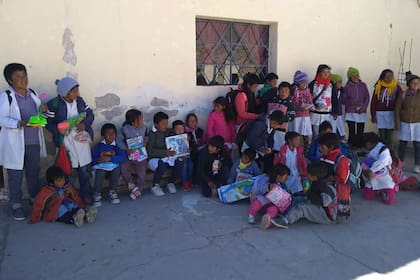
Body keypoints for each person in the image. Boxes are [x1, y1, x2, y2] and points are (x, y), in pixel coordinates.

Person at [0, 63, 47, 220]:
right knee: (15, 175)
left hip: (33, 141)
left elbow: (40, 115)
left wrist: (44, 112)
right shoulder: (6, 96)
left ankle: (35, 200)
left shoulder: (32, 93)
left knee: (33, 173)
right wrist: (20, 123)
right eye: (18, 77)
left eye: (24, 75)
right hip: (15, 144)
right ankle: (17, 205)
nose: (23, 80)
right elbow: (2, 119)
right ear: (10, 80)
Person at [45, 76, 94, 204]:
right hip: (65, 141)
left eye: (77, 90)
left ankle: (85, 194)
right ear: (65, 92)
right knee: (67, 170)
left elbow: (89, 114)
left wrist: (85, 124)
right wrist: (59, 130)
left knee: (83, 170)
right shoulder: (54, 104)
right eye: (74, 91)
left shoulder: (80, 101)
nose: (76, 94)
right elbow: (48, 122)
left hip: (80, 139)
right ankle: (69, 197)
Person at [270, 163, 337, 228]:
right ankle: (286, 213)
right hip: (321, 208)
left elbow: (324, 202)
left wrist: (308, 193)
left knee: (302, 207)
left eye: (309, 174)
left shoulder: (324, 186)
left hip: (326, 215)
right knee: (298, 199)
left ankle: (285, 221)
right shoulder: (316, 182)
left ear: (314, 177)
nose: (307, 175)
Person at [29, 166, 97, 227]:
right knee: (62, 209)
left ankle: (86, 215)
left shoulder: (67, 187)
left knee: (73, 206)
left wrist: (81, 205)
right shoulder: (45, 192)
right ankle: (74, 219)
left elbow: (75, 196)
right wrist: (35, 217)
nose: (62, 182)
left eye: (63, 180)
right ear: (51, 182)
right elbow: (38, 204)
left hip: (67, 203)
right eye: (59, 181)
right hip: (55, 210)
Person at [92, 123, 126, 207]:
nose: (111, 136)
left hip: (112, 165)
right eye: (108, 133)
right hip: (101, 166)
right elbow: (92, 158)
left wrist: (111, 159)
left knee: (116, 170)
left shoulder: (116, 146)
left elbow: (123, 157)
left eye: (113, 133)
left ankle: (112, 191)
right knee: (100, 172)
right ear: (103, 135)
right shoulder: (99, 146)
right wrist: (98, 160)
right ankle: (97, 194)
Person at [117, 109, 148, 200]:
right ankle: (131, 183)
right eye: (140, 119)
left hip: (140, 154)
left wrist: (146, 141)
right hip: (129, 154)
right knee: (123, 167)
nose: (142, 121)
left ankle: (139, 188)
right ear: (133, 122)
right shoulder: (124, 129)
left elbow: (146, 136)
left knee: (142, 173)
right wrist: (126, 149)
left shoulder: (144, 128)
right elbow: (119, 141)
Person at [248, 164, 291, 229]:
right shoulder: (266, 179)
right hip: (263, 200)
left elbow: (285, 194)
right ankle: (251, 215)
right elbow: (261, 187)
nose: (286, 179)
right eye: (285, 177)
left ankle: (268, 219)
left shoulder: (283, 185)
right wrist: (268, 186)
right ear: (279, 176)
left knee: (274, 210)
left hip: (272, 203)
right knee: (258, 201)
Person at [319, 133, 351, 217]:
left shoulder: (341, 160)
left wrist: (328, 180)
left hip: (335, 190)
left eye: (322, 147)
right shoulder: (324, 156)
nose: (320, 149)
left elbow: (342, 180)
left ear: (331, 147)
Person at [361, 132, 398, 205]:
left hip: (384, 176)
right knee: (367, 196)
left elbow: (383, 161)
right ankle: (377, 190)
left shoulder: (383, 149)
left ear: (369, 143)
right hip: (373, 177)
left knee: (389, 201)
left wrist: (371, 170)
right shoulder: (372, 149)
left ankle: (393, 187)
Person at [147, 112, 177, 196]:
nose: (165, 125)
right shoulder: (152, 134)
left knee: (179, 162)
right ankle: (155, 185)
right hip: (154, 159)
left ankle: (171, 182)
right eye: (163, 124)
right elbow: (150, 152)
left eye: (166, 123)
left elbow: (177, 134)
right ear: (156, 124)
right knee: (162, 165)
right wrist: (165, 153)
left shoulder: (168, 131)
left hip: (167, 156)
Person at [395, 74, 420, 173]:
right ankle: (400, 164)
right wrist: (397, 123)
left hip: (418, 123)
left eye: (418, 82)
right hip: (405, 123)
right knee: (402, 144)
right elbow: (397, 109)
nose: (416, 84)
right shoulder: (403, 94)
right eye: (414, 82)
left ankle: (417, 165)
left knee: (417, 145)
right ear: (409, 84)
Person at [371, 69, 402, 147]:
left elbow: (400, 100)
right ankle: (382, 151)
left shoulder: (396, 87)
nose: (389, 78)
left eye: (391, 76)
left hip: (391, 113)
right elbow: (373, 102)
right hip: (380, 114)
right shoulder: (378, 86)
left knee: (389, 135)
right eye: (387, 76)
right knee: (382, 135)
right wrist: (373, 115)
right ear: (383, 77)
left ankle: (389, 152)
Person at [273, 132, 307, 200]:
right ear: (289, 140)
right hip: (285, 177)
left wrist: (304, 174)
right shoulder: (283, 151)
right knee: (285, 195)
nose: (299, 142)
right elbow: (276, 164)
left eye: (299, 140)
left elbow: (303, 163)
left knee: (298, 194)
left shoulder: (299, 151)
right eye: (296, 140)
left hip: (296, 176)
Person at [342, 67, 370, 148]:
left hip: (361, 111)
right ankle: (352, 144)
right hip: (351, 111)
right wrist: (352, 103)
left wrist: (363, 107)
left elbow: (367, 97)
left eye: (357, 75)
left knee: (360, 129)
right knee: (352, 129)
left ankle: (359, 144)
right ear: (350, 77)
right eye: (353, 76)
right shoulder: (347, 87)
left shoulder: (363, 85)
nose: (355, 77)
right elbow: (344, 100)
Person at [290, 70, 313, 148]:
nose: (304, 84)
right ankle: (297, 148)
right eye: (302, 82)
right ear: (297, 82)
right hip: (297, 116)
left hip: (306, 115)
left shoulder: (307, 90)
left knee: (306, 133)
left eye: (305, 82)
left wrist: (310, 105)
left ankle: (305, 149)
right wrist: (299, 107)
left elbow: (310, 100)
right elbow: (293, 103)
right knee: (297, 133)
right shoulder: (294, 90)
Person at [309, 64, 333, 137]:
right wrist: (314, 106)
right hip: (315, 113)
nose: (326, 74)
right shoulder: (313, 84)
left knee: (326, 135)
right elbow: (309, 98)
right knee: (316, 134)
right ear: (319, 72)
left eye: (328, 72)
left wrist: (335, 111)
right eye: (324, 72)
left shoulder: (331, 85)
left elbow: (334, 99)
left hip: (326, 114)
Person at [172, 120, 194, 191]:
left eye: (181, 129)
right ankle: (184, 184)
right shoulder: (172, 139)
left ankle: (189, 181)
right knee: (184, 164)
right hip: (176, 158)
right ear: (174, 130)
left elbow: (191, 147)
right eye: (177, 129)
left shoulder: (186, 136)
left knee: (190, 164)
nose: (180, 131)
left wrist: (189, 142)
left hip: (186, 156)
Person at [330, 73, 346, 140]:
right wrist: (333, 112)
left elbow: (343, 101)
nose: (341, 84)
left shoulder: (341, 92)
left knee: (341, 130)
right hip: (332, 114)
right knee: (333, 130)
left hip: (339, 114)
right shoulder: (330, 92)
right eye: (339, 82)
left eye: (341, 82)